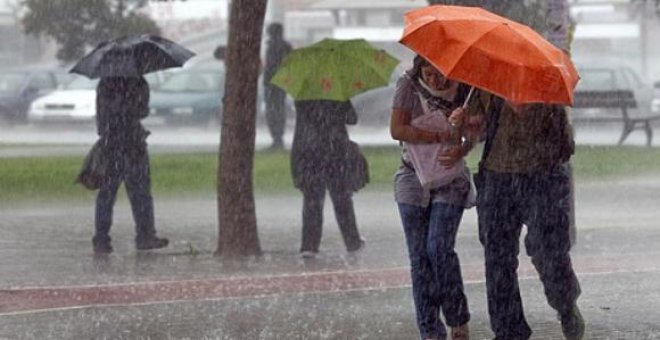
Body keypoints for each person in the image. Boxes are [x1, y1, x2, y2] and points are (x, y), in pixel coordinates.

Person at [473, 96, 585, 339]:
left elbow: (559, 131)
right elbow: (479, 129)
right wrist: (463, 124)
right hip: (497, 176)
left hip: (542, 174)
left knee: (548, 251)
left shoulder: (544, 67)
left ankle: (565, 303)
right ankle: (508, 330)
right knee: (497, 258)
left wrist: (528, 104)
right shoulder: (486, 71)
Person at [390, 55, 482, 340]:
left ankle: (457, 318)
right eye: (429, 73)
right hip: (412, 177)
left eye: (440, 73)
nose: (435, 79)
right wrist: (438, 135)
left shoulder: (466, 90)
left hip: (449, 178)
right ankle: (430, 330)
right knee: (419, 259)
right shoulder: (408, 85)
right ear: (421, 68)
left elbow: (475, 133)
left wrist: (461, 142)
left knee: (438, 249)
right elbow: (397, 129)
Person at [92, 76, 169, 254]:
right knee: (140, 193)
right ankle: (145, 236)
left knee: (106, 194)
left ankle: (101, 240)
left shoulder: (104, 83)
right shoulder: (138, 82)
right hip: (133, 144)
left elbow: (101, 115)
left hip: (110, 143)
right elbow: (142, 111)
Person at [291, 99, 366, 259]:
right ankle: (352, 241)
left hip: (309, 152)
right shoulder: (337, 94)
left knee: (312, 199)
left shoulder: (303, 98)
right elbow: (352, 119)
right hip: (335, 151)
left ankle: (309, 245)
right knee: (342, 199)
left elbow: (301, 125)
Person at [263, 22, 292, 150]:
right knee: (279, 110)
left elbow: (271, 66)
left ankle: (276, 138)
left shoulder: (274, 47)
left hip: (273, 84)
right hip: (281, 83)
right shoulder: (286, 47)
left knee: (273, 111)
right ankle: (278, 137)